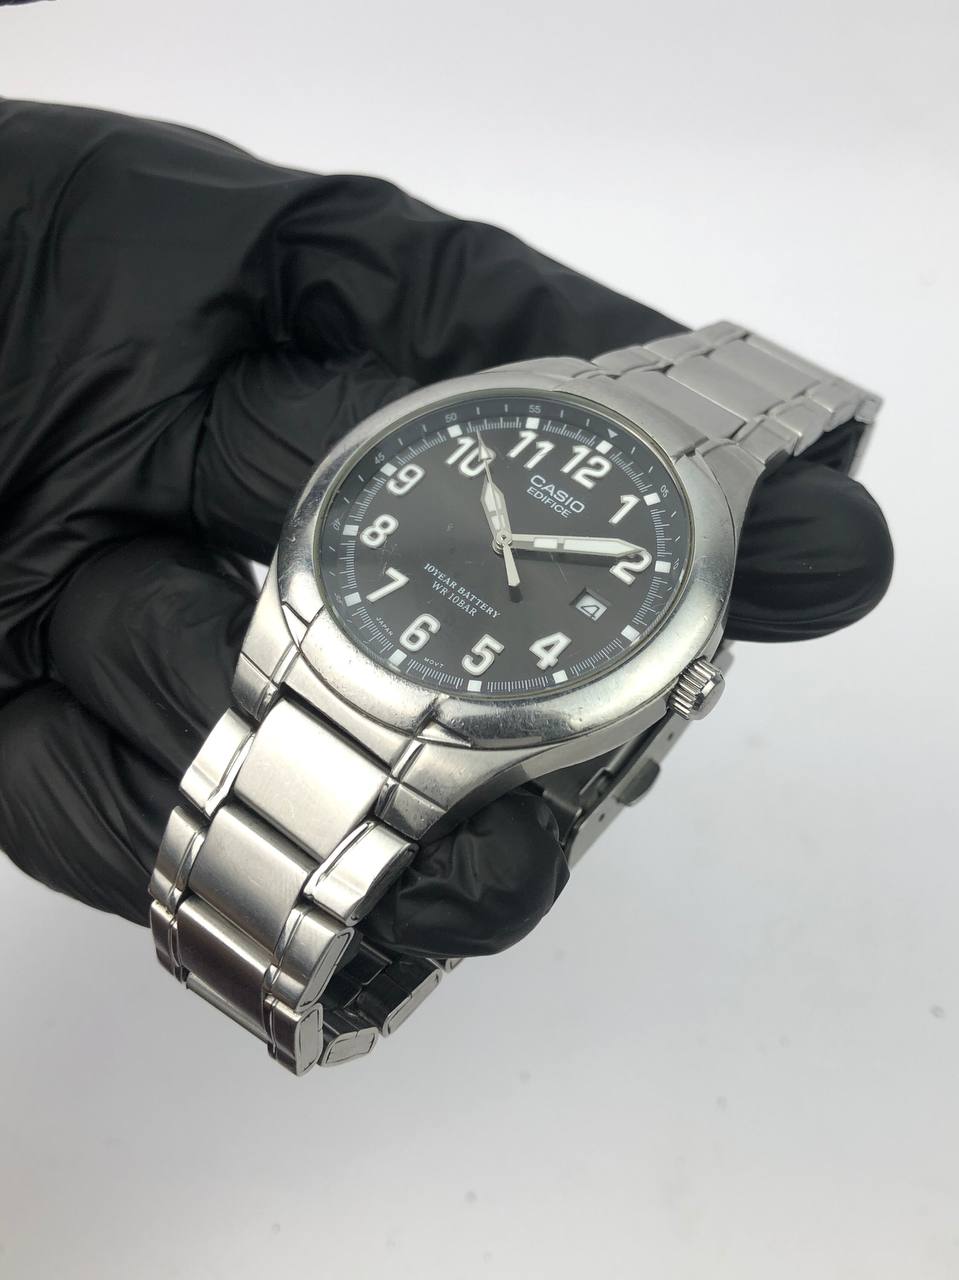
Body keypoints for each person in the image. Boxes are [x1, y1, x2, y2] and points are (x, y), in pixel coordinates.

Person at [0, 99, 893, 958]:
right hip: (329, 559)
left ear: (681, 679)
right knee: (429, 862)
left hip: (97, 285)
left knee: (792, 539)